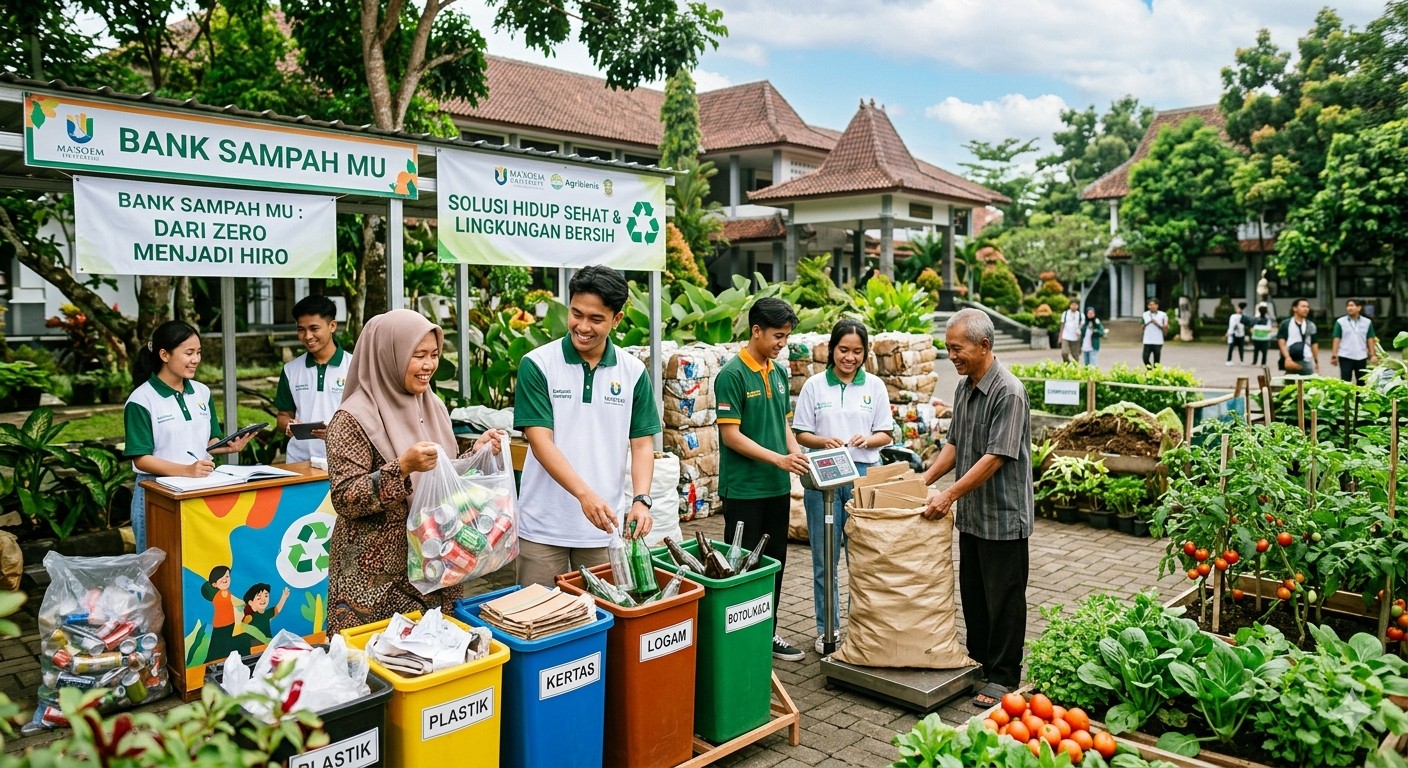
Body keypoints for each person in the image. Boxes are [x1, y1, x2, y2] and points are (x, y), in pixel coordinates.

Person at [324, 309, 505, 635]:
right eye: (417, 355)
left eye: (434, 355)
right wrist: (401, 468)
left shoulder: (432, 406)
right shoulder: (352, 418)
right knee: (381, 672)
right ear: (387, 356)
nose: (428, 365)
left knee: (436, 668)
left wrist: (474, 454)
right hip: (378, 584)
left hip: (438, 568)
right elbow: (345, 498)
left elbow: (440, 476)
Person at [513, 266, 662, 588]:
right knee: (539, 622)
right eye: (576, 314)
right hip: (543, 525)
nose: (582, 327)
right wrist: (584, 495)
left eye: (595, 319)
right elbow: (541, 442)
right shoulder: (538, 364)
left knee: (603, 619)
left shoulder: (633, 371)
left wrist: (641, 499)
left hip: (602, 528)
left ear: (617, 319)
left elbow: (642, 444)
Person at [920, 308, 1032, 707]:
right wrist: (924, 481)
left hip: (1003, 516)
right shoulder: (965, 387)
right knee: (976, 596)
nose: (951, 355)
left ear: (984, 346)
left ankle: (1004, 675)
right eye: (948, 348)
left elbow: (994, 457)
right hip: (973, 516)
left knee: (1004, 599)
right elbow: (955, 445)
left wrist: (948, 495)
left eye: (956, 348)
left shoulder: (1009, 392)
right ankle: (981, 663)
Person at [792, 319, 894, 654]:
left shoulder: (874, 387)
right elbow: (801, 434)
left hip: (864, 475)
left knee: (863, 558)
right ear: (832, 349)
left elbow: (886, 434)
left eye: (857, 351)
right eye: (843, 350)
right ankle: (828, 630)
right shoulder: (815, 386)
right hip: (823, 478)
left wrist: (869, 438)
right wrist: (822, 442)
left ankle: (862, 630)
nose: (849, 358)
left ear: (865, 353)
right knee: (826, 557)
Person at [717, 296, 810, 661]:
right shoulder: (732, 375)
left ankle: (766, 633)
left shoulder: (779, 371)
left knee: (774, 564)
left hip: (776, 488)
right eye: (777, 336)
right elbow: (731, 436)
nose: (782, 343)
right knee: (741, 568)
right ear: (756, 331)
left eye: (786, 337)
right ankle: (736, 640)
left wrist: (795, 454)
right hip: (744, 490)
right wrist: (779, 459)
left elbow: (783, 424)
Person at [124, 320, 256, 552]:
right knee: (155, 570)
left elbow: (209, 442)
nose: (196, 359)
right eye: (189, 353)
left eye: (198, 352)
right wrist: (186, 470)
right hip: (156, 493)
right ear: (164, 354)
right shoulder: (141, 400)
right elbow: (140, 458)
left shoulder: (202, 392)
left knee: (196, 565)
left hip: (199, 489)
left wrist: (227, 446)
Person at [275, 296, 352, 463]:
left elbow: (370, 418)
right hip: (299, 462)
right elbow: (282, 415)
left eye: (314, 328)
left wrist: (337, 431)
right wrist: (288, 425)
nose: (307, 336)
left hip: (345, 462)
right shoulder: (290, 370)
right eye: (301, 329)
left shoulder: (355, 367)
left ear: (332, 326)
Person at [1331, 298, 1377, 384]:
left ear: (1359, 308)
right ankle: (1347, 397)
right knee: (1345, 382)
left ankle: (1359, 398)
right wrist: (1334, 354)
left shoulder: (1367, 322)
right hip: (1345, 356)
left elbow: (1370, 339)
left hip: (1361, 356)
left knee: (1361, 382)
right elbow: (1336, 338)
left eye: (1352, 305)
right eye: (1348, 306)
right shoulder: (1340, 322)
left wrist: (1372, 355)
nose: (1349, 308)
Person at [1277, 298, 1319, 375]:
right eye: (1303, 306)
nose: (1306, 309)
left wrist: (1316, 361)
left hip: (1306, 360)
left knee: (1307, 384)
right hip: (1290, 359)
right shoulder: (1286, 324)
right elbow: (1281, 342)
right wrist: (1287, 357)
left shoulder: (1311, 325)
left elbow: (1314, 344)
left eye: (1307, 307)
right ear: (1295, 308)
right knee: (1290, 384)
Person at [1141, 298, 1168, 367]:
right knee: (1145, 358)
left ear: (1157, 305)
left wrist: (1157, 323)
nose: (1151, 306)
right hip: (1147, 340)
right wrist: (1145, 324)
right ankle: (1149, 370)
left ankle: (1156, 374)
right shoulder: (1145, 314)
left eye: (1153, 305)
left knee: (1156, 360)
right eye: (1149, 305)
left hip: (1158, 340)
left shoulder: (1163, 315)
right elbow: (1142, 325)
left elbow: (1165, 326)